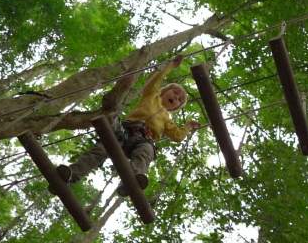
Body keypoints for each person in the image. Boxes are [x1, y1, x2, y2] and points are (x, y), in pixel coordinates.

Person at [55, 55, 200, 195]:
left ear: (175, 108)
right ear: (164, 91)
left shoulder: (168, 120)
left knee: (146, 152)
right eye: (174, 92)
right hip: (125, 130)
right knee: (103, 144)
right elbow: (156, 80)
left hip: (143, 140)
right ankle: (72, 173)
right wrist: (171, 66)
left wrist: (188, 126)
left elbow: (178, 136)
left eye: (179, 100)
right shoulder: (152, 95)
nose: (175, 97)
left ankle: (129, 183)